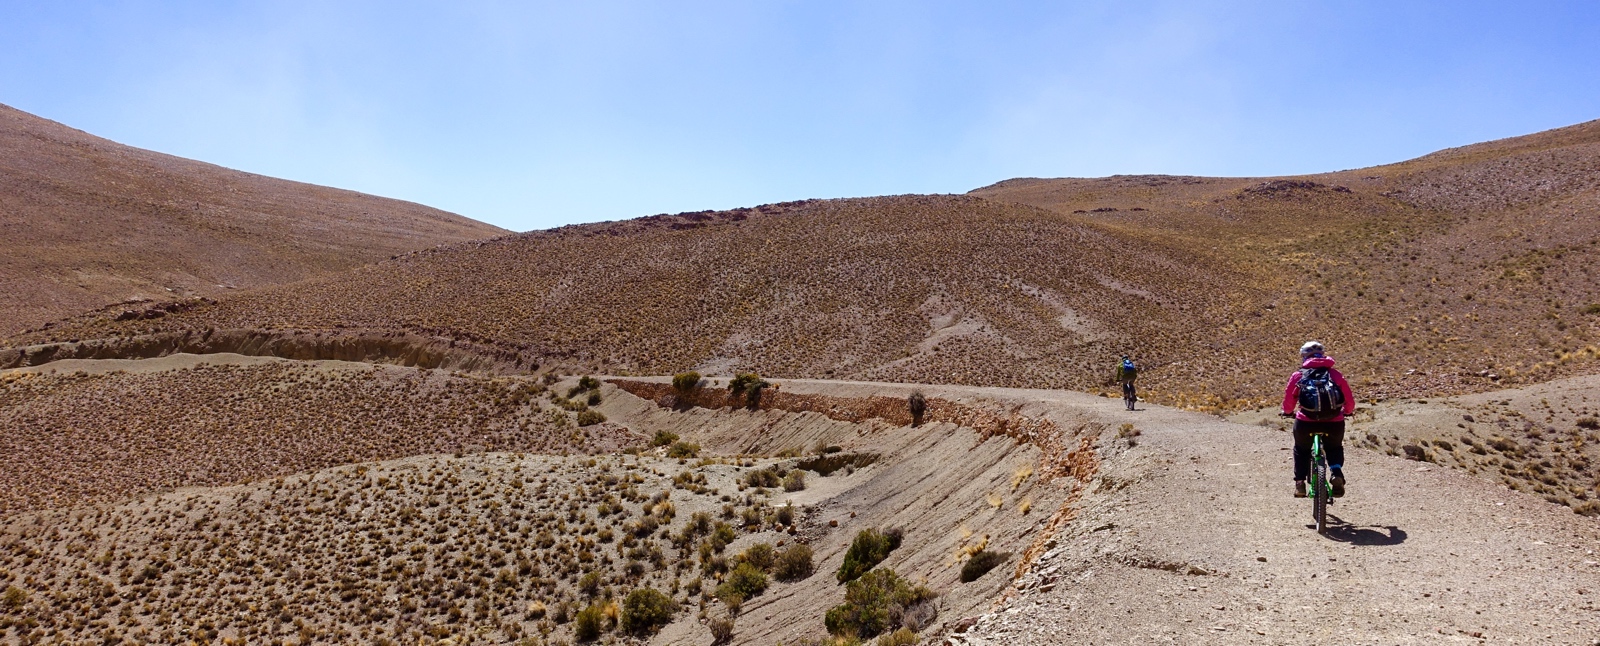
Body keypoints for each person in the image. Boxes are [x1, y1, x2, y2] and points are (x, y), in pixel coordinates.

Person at [1280, 341, 1355, 498]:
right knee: (1334, 448)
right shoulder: (1335, 374)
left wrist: (1287, 412)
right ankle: (1336, 473)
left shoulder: (1298, 375)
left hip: (1306, 422)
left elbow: (1289, 399)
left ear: (1304, 357)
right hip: (1334, 422)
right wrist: (1347, 412)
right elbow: (1348, 398)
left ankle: (1300, 483)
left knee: (1301, 449)